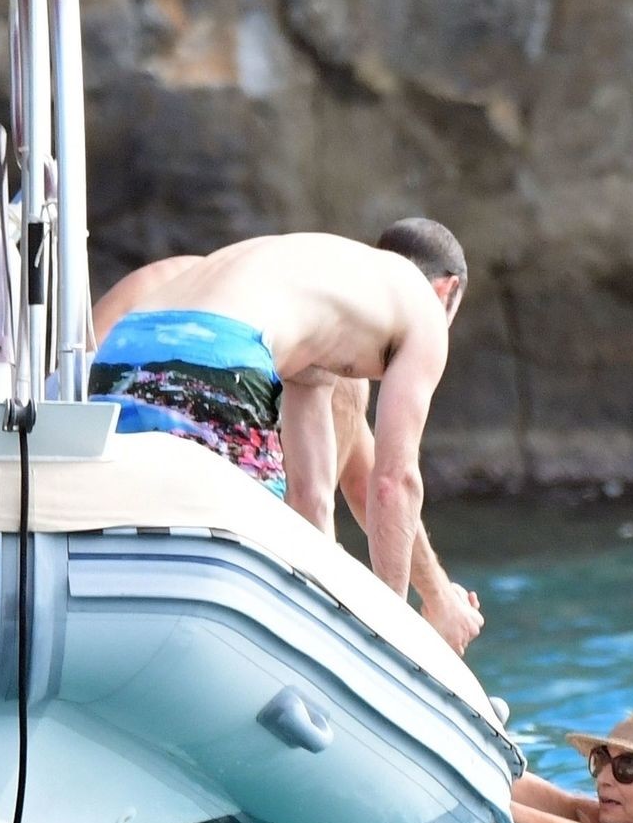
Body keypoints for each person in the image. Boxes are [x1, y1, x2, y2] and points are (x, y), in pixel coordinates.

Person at [92, 246, 483, 654]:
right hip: (216, 353)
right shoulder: (424, 308)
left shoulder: (309, 310)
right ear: (446, 289)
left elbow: (311, 501)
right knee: (255, 563)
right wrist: (392, 642)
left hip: (119, 352)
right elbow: (392, 483)